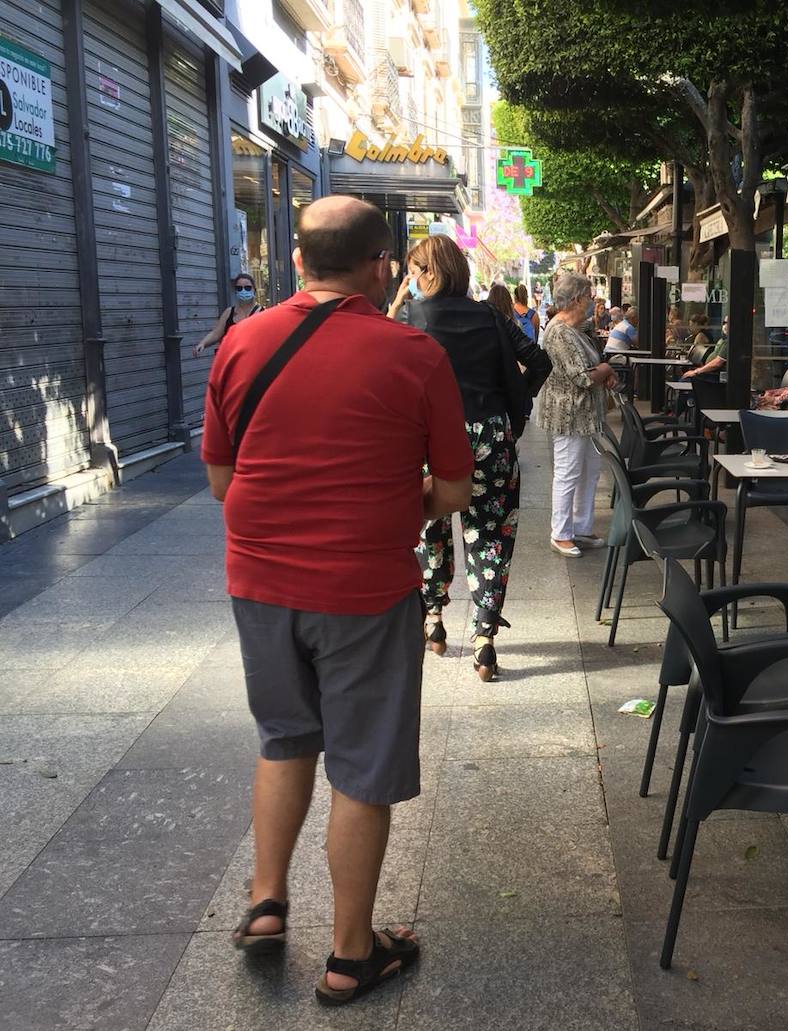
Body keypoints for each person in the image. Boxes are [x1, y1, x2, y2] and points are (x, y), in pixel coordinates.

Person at [203, 197, 474, 1003]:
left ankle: (264, 903)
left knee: (284, 736)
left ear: (295, 260)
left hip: (258, 582)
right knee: (362, 766)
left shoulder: (240, 342)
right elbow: (455, 488)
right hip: (363, 588)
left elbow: (222, 480)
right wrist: (394, 503)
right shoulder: (412, 354)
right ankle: (352, 953)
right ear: (379, 265)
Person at [390, 236, 551, 680]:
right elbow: (540, 362)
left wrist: (398, 301)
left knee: (429, 528)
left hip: (430, 440)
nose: (411, 278)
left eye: (413, 270)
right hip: (491, 437)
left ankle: (434, 620)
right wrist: (514, 405)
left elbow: (382, 364)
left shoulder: (409, 317)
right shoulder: (491, 316)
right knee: (491, 532)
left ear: (426, 272)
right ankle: (484, 639)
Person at [540, 271, 619, 557]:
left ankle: (581, 528)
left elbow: (591, 367)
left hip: (586, 415)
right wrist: (607, 370)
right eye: (589, 295)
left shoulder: (574, 330)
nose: (592, 300)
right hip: (569, 415)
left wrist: (603, 372)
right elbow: (582, 377)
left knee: (589, 472)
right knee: (568, 472)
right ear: (576, 299)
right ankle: (560, 533)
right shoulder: (560, 332)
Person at [193, 273, 265, 356]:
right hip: (232, 359)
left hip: (253, 359)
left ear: (254, 290)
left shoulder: (263, 313)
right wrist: (203, 343)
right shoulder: (229, 312)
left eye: (247, 288)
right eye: (239, 288)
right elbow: (216, 333)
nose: (243, 291)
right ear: (235, 291)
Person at [682, 315, 727, 380]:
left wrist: (696, 371)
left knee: (684, 378)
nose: (690, 327)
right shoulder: (723, 340)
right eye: (724, 323)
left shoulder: (701, 336)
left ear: (697, 325)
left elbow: (717, 363)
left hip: (711, 375)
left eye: (691, 325)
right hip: (707, 370)